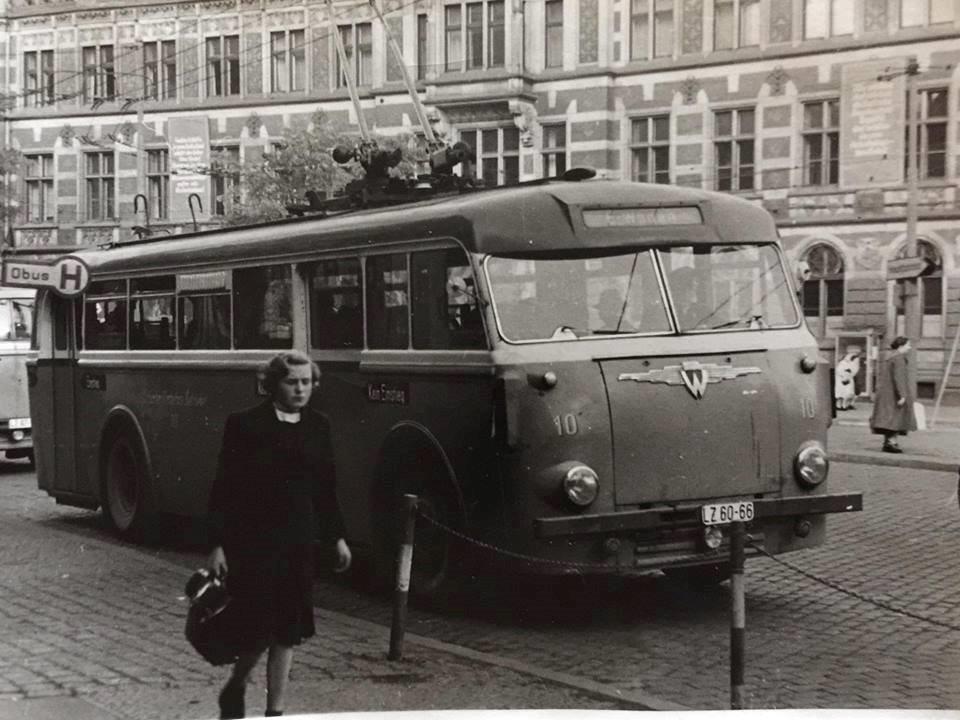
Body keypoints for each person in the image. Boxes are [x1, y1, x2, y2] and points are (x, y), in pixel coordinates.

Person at [207, 351, 352, 718]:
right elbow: (225, 488)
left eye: (307, 382)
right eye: (292, 382)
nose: (301, 389)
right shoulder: (244, 425)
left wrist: (336, 537)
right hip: (253, 544)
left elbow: (325, 488)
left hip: (297, 542)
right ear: (273, 384)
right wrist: (217, 544)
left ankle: (276, 712)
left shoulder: (318, 425)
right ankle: (237, 685)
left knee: (288, 630)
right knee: (259, 629)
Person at [869, 336, 917, 453]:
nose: (909, 348)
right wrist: (903, 395)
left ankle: (888, 442)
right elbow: (899, 378)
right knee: (895, 419)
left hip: (886, 393)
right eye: (908, 345)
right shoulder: (899, 358)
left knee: (888, 419)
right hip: (894, 395)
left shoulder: (890, 357)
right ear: (901, 346)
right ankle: (892, 443)